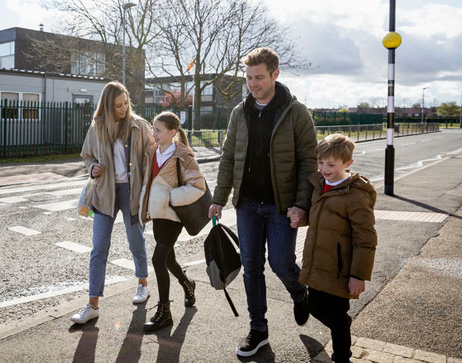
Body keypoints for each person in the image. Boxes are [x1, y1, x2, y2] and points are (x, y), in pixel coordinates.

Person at [208, 47, 317, 357]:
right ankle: (259, 330)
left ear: (274, 75)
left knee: (281, 263)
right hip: (247, 205)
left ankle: (299, 292)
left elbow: (309, 163)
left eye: (259, 77)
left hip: (281, 206)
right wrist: (218, 199)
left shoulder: (296, 113)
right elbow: (228, 158)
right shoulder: (239, 113)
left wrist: (301, 204)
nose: (252, 84)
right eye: (248, 78)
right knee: (250, 266)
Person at [71, 81, 155, 325]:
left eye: (126, 103)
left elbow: (155, 152)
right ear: (107, 106)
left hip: (132, 192)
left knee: (135, 240)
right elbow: (86, 155)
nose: (124, 108)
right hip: (105, 192)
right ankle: (93, 304)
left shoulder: (139, 126)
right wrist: (92, 167)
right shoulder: (97, 127)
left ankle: (142, 284)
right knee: (99, 248)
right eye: (118, 105)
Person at [299, 133, 377, 363]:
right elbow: (318, 218)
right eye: (321, 163)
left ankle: (342, 356)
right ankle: (341, 326)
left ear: (348, 164)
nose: (324, 168)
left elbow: (366, 238)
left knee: (337, 316)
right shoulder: (318, 185)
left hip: (340, 270)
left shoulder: (355, 195)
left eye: (331, 164)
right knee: (314, 308)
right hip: (317, 263)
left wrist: (358, 275)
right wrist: (300, 217)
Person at [139, 111, 205, 332]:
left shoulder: (183, 156)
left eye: (158, 130)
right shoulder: (152, 152)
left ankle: (164, 312)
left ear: (172, 132)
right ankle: (188, 284)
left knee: (158, 260)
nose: (153, 134)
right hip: (158, 215)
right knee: (169, 261)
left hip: (173, 216)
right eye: (153, 129)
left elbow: (198, 187)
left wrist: (169, 198)